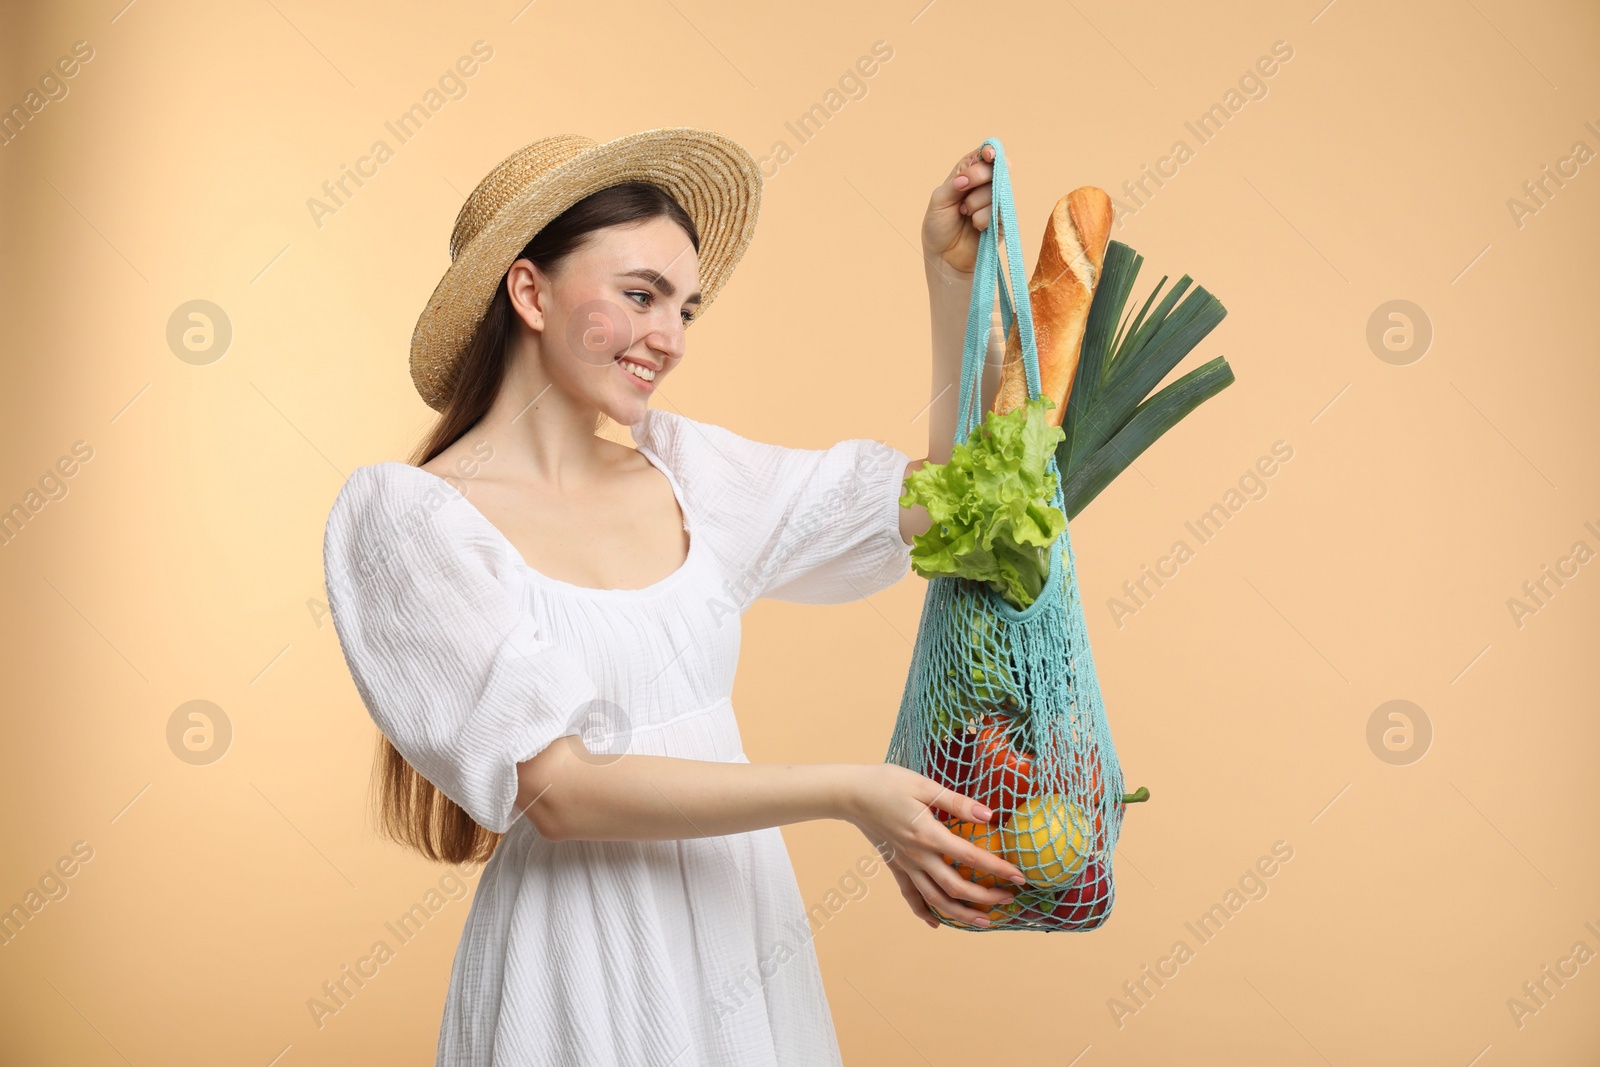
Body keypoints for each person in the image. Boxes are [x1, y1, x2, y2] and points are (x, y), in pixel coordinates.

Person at [321, 127, 1025, 1066]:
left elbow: (949, 505)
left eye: (686, 308)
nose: (671, 337)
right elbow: (562, 790)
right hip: (578, 959)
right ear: (529, 291)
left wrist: (952, 283)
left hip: (739, 931)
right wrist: (847, 790)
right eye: (641, 296)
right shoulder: (410, 521)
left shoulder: (691, 472)